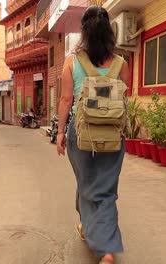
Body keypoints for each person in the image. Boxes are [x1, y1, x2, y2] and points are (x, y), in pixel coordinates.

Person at [56, 5, 130, 264]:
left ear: (84, 32)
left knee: (88, 185)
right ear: (109, 31)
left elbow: (66, 100)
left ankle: (104, 249)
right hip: (112, 134)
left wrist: (60, 133)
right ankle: (96, 236)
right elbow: (124, 101)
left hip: (81, 132)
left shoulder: (71, 62)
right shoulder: (121, 64)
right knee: (105, 189)